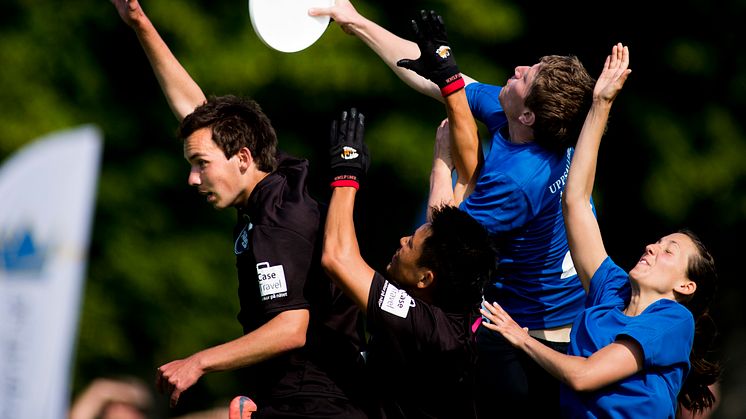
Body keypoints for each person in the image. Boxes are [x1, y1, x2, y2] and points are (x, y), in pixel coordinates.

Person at [309, 3, 596, 416]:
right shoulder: (527, 124)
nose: (515, 69)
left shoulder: (517, 181)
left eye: (525, 76)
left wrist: (441, 164)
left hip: (536, 330)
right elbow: (437, 79)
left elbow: (438, 242)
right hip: (563, 307)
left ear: (529, 114)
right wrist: (354, 19)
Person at [110, 1, 370, 417]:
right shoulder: (273, 177)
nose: (193, 179)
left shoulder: (277, 223)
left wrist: (198, 362)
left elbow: (291, 327)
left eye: (201, 166)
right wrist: (140, 23)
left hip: (315, 405)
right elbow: (196, 114)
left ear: (243, 158)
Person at [480, 43, 721, 418]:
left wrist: (520, 337)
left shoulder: (674, 320)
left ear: (685, 286)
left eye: (668, 250)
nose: (651, 248)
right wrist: (601, 104)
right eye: (658, 242)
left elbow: (585, 376)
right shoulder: (611, 288)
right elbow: (575, 200)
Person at [321, 106, 495, 418]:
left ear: (425, 279)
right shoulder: (458, 282)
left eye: (410, 244)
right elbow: (450, 206)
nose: (402, 241)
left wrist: (346, 175)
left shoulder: (430, 330)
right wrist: (442, 163)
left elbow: (337, 258)